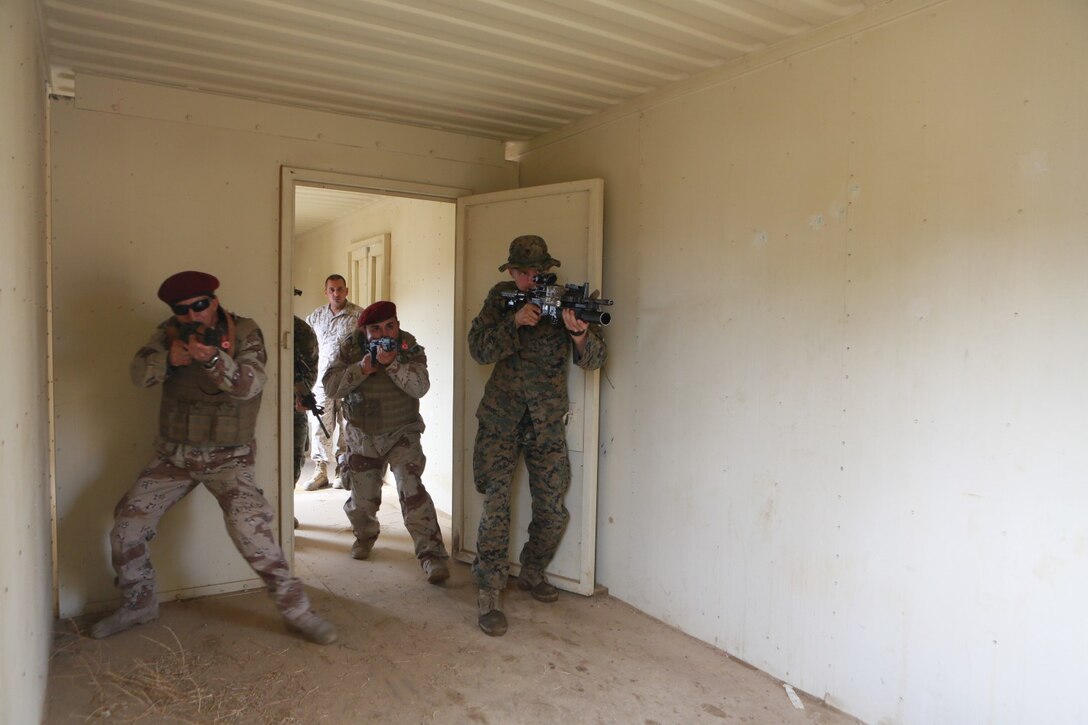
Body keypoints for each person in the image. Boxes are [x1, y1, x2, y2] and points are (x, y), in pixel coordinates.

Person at [90, 271, 338, 645]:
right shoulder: (168, 333)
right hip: (175, 457)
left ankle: (298, 611)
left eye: (200, 306)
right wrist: (169, 360)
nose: (193, 317)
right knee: (126, 529)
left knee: (255, 535)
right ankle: (138, 602)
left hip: (229, 460)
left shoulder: (245, 332)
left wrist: (213, 361)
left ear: (214, 302)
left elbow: (251, 385)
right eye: (183, 310)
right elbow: (139, 375)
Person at [467, 235, 607, 636]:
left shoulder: (565, 300)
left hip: (545, 420)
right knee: (495, 506)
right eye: (524, 273)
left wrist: (579, 334)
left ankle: (531, 571)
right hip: (500, 419)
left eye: (538, 272)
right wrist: (513, 324)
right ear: (511, 272)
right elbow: (478, 348)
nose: (531, 279)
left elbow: (596, 360)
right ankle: (490, 589)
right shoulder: (501, 297)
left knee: (552, 507)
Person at [322, 300, 450, 584]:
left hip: (401, 432)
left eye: (390, 326)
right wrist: (361, 370)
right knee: (363, 501)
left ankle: (432, 556)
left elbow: (420, 387)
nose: (384, 335)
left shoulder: (408, 348)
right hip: (362, 434)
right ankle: (365, 536)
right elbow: (330, 387)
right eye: (376, 329)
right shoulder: (351, 347)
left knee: (412, 492)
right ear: (364, 332)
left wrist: (392, 365)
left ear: (398, 325)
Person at [302, 274, 362, 490]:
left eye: (340, 289)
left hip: (349, 380)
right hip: (321, 381)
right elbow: (305, 345)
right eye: (332, 290)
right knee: (320, 424)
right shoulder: (316, 317)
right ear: (325, 292)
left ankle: (342, 468)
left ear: (346, 290)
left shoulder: (359, 316)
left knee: (347, 423)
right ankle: (320, 470)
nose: (336, 294)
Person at [292, 312, 319, 528]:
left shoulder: (300, 330)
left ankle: (285, 507)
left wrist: (300, 394)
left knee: (295, 457)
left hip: (294, 406)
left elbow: (311, 368)